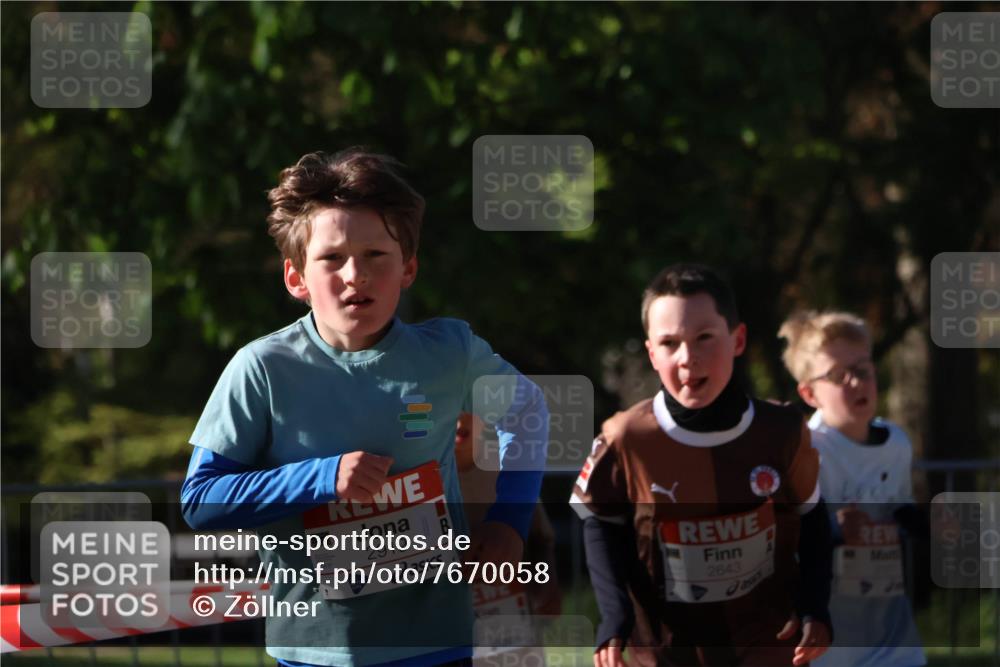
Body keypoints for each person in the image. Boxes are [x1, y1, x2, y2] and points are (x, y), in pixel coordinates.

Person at [180, 148, 549, 667]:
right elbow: (201, 501)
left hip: (434, 645)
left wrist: (509, 522)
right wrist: (321, 478)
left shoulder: (451, 353)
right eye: (332, 258)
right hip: (314, 650)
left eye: (376, 255)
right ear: (296, 278)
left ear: (408, 268)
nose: (356, 275)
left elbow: (528, 410)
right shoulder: (260, 367)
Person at [571, 263, 833, 667]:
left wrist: (815, 606)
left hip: (765, 647)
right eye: (670, 343)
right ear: (651, 354)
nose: (688, 357)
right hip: (666, 653)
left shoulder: (781, 432)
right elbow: (599, 524)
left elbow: (813, 518)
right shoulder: (625, 437)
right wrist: (614, 618)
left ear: (738, 339)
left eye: (705, 338)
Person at [779, 311, 926, 667]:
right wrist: (835, 531)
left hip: (890, 626)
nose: (856, 382)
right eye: (837, 375)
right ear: (809, 393)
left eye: (862, 370)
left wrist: (933, 525)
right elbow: (787, 539)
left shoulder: (897, 443)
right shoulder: (807, 449)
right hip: (830, 637)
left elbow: (900, 508)